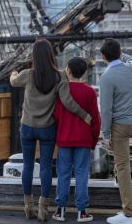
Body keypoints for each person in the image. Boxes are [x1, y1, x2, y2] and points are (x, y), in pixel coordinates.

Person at [10, 39, 91, 221]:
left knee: (28, 166)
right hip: (47, 129)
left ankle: (27, 206)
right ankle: (43, 209)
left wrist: (14, 72)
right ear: (50, 55)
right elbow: (68, 102)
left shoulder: (28, 74)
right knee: (46, 167)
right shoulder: (60, 76)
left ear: (34, 56)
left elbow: (14, 81)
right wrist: (84, 115)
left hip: (27, 128)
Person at [99, 39, 132, 224]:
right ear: (120, 53)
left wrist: (106, 135)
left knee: (123, 166)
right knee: (121, 163)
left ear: (103, 57)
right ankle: (119, 179)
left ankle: (129, 214)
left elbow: (106, 110)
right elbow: (131, 58)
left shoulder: (106, 77)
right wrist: (121, 53)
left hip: (122, 126)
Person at [52, 57, 101, 223]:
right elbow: (96, 119)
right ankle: (82, 212)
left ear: (68, 71)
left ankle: (60, 211)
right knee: (81, 174)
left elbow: (57, 115)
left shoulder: (62, 90)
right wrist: (93, 141)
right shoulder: (90, 92)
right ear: (84, 72)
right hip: (83, 140)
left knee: (63, 174)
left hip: (64, 138)